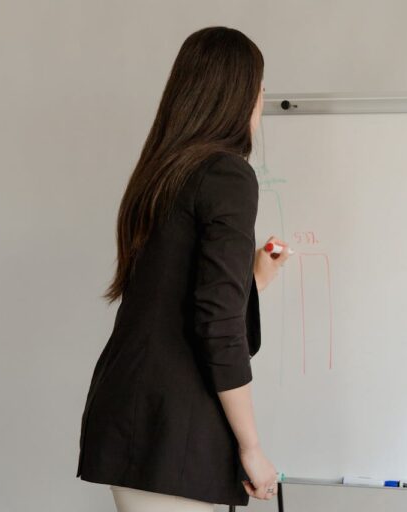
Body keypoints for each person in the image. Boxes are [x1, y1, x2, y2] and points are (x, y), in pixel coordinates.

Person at [75, 26, 289, 511]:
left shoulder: (162, 172)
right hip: (175, 430)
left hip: (133, 415)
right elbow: (217, 326)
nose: (261, 103)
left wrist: (253, 280)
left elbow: (175, 298)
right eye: (258, 90)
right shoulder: (229, 174)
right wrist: (251, 449)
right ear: (239, 97)